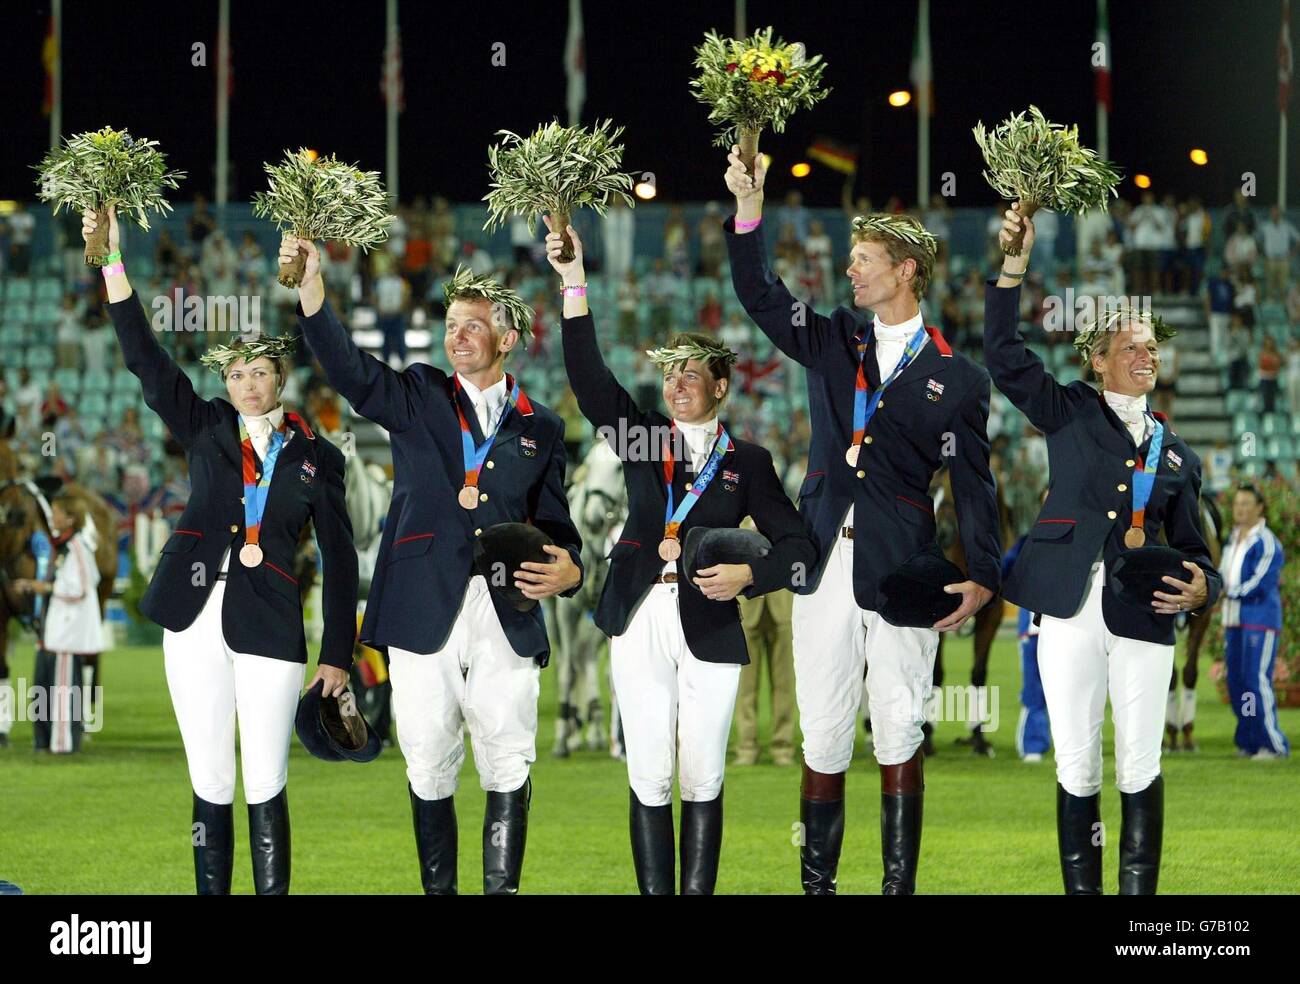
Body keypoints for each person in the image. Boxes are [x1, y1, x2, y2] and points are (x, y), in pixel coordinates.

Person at [724, 149, 1001, 895]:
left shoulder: (960, 377)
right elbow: (758, 292)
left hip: (904, 570)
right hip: (820, 562)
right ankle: (819, 888)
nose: (851, 272)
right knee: (823, 730)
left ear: (907, 270)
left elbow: (975, 486)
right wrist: (749, 208)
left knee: (901, 725)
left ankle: (895, 889)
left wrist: (980, 576)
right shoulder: (831, 337)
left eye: (865, 260)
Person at [284, 236, 583, 896]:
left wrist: (574, 571)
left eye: (473, 326)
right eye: (451, 326)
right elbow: (351, 371)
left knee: (507, 756)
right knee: (425, 758)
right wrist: (312, 293)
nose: (458, 337)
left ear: (508, 339)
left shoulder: (543, 427)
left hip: (509, 606)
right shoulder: (418, 394)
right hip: (424, 606)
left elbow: (560, 531)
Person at [88, 206, 359, 895]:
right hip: (192, 620)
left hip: (269, 621)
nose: (247, 384)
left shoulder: (317, 457)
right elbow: (146, 361)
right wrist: (113, 263)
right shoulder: (205, 427)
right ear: (226, 383)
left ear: (280, 378)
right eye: (235, 374)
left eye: (259, 372)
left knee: (266, 779)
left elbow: (341, 557)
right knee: (210, 778)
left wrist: (335, 655)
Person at [550, 217, 814, 894]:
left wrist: (751, 574)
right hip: (640, 611)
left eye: (692, 374)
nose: (677, 384)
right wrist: (573, 283)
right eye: (670, 374)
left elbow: (799, 546)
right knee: (649, 770)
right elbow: (588, 377)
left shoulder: (748, 461)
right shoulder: (641, 438)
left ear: (721, 386)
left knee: (703, 771)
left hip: (712, 617)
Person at [984, 204, 1222, 895]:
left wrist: (1207, 587)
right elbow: (1002, 355)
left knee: (1140, 764)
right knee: (1077, 765)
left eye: (1151, 347)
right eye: (1131, 348)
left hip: (1144, 612)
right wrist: (1014, 263)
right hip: (1066, 608)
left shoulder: (1178, 455)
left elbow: (1197, 552)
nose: (1146, 357)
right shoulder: (1069, 411)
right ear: (1097, 360)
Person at [14, 495, 108, 754]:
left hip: (67, 633)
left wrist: (42, 586)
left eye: (56, 512)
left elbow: (81, 587)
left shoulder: (77, 547)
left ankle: (63, 743)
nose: (52, 517)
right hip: (54, 630)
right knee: (44, 688)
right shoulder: (65, 546)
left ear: (70, 518)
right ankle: (44, 741)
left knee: (64, 689)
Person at [1220, 485, 1289, 759]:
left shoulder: (1267, 541)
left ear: (1259, 507)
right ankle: (1249, 740)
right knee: (1237, 681)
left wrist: (1227, 593)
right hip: (1234, 619)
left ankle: (1273, 744)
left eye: (1247, 503)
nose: (1240, 508)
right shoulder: (1233, 538)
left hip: (1259, 619)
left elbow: (1261, 582)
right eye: (1237, 503)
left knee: (1256, 680)